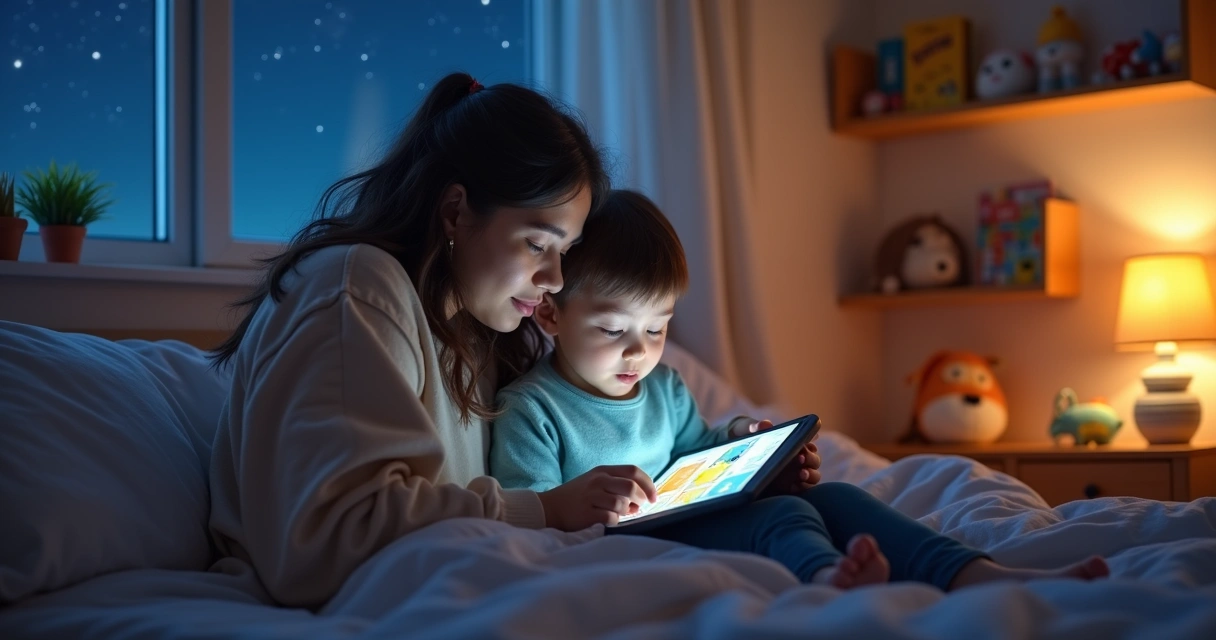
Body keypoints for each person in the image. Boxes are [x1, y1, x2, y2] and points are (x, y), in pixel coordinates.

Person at [489, 189, 1111, 590]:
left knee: (836, 496)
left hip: (689, 516)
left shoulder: (666, 386)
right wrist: (577, 499)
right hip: (633, 543)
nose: (637, 350)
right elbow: (530, 515)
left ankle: (981, 573)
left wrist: (746, 446)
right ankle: (830, 580)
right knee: (786, 515)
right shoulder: (533, 409)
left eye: (657, 328)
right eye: (612, 329)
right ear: (550, 316)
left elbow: (697, 448)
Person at [206, 73, 660, 609]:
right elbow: (337, 537)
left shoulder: (470, 332)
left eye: (565, 252)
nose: (555, 279)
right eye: (538, 244)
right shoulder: (356, 287)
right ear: (455, 211)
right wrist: (546, 511)